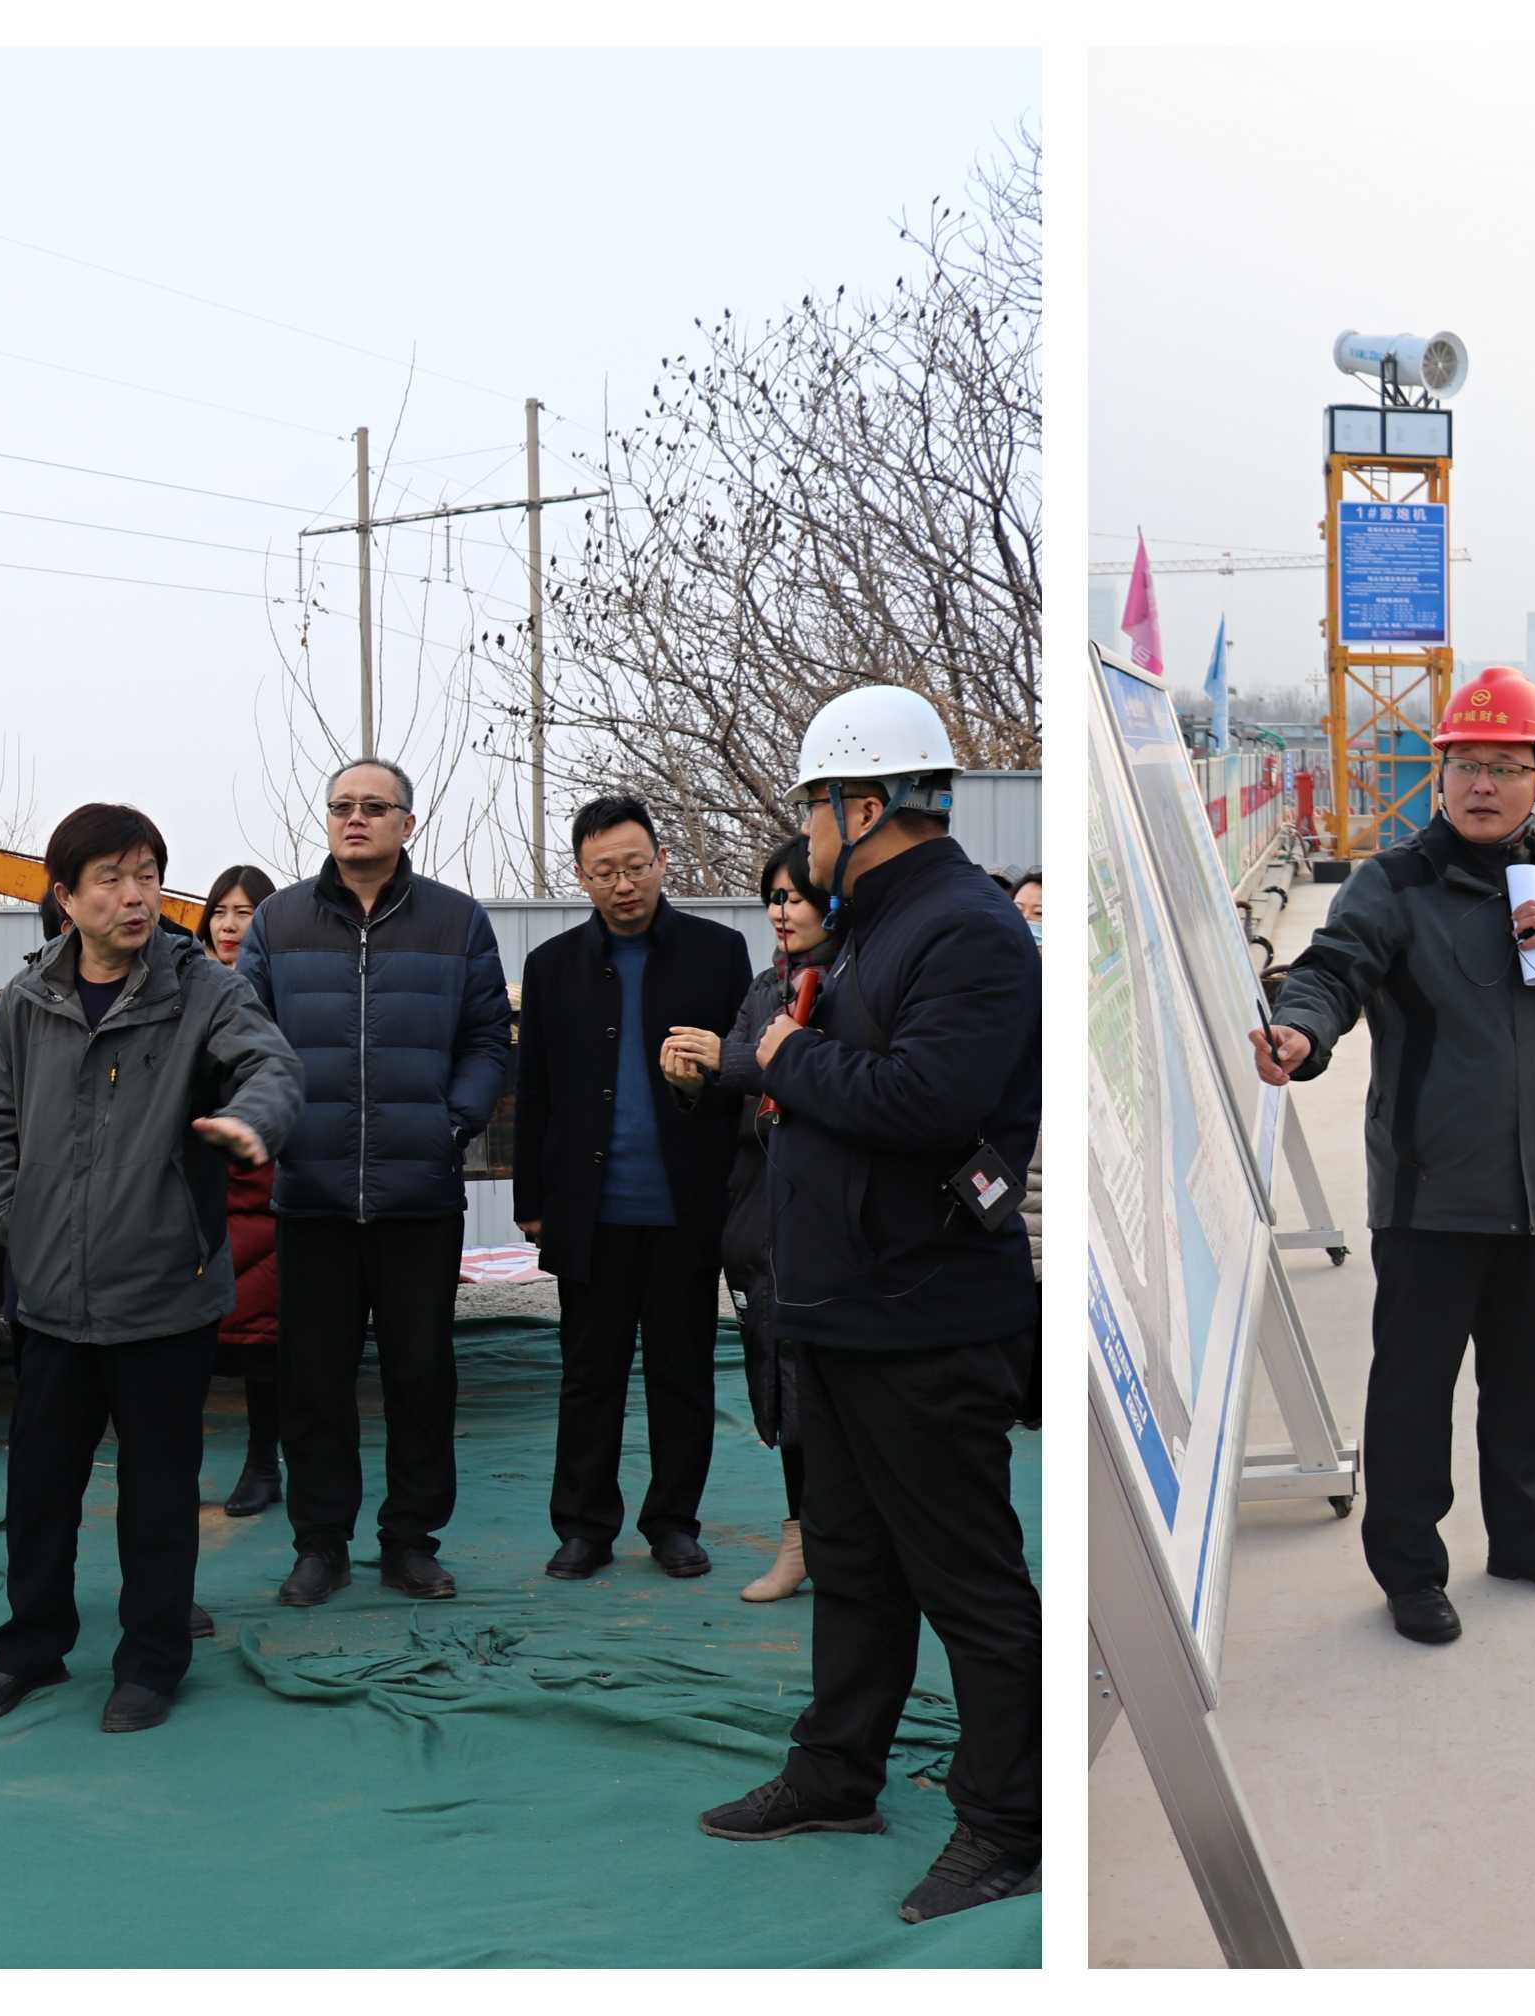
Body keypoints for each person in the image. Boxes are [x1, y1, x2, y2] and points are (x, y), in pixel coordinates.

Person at [692, 684, 1042, 1928]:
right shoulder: (870, 932)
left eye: (814, 810)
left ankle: (1008, 1824)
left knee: (969, 1582)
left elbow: (927, 1102)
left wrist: (788, 1058)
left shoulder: (967, 932)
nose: (806, 836)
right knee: (851, 1564)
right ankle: (837, 1772)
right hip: (840, 1310)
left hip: (923, 1319)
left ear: (862, 805)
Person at [1249, 665, 1535, 1649]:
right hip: (1430, 1192)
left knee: (1526, 1382)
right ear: (1441, 775)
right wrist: (1301, 1032)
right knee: (1413, 1393)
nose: (1483, 785)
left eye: (1506, 767)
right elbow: (1332, 971)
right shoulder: (1395, 883)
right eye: (1466, 765)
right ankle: (1410, 1570)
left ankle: (1525, 1538)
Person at [0, 805, 300, 1734]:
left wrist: (252, 1121)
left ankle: (149, 1664)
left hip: (162, 1293)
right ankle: (30, 1649)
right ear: (65, 898)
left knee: (157, 1497)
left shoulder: (201, 991)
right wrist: (14, 1222)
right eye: (110, 878)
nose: (135, 895)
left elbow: (272, 1067)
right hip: (50, 1296)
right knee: (39, 1494)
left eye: (147, 874)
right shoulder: (29, 1000)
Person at [236, 758, 514, 1606]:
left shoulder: (457, 921)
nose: (354, 819)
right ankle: (320, 1544)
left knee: (420, 1379)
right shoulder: (280, 921)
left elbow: (487, 1041)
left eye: (373, 806)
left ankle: (411, 1543)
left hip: (418, 1197)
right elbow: (246, 1040)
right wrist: (277, 1128)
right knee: (313, 1384)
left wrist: (451, 1123)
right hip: (312, 1196)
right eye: (341, 806)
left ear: (407, 823)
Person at [516, 795, 752, 1580]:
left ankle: (673, 1523)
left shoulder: (718, 954)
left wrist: (703, 1090)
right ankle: (584, 1528)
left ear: (662, 862)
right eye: (604, 872)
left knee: (683, 1373)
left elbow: (742, 1081)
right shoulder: (552, 966)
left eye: (636, 866)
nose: (623, 884)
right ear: (581, 877)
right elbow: (534, 1091)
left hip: (687, 1206)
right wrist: (531, 1203)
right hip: (590, 1211)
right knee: (590, 1376)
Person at [670, 836, 834, 1601]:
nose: (782, 911)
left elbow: (813, 1077)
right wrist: (692, 1079)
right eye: (774, 897)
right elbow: (734, 1083)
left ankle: (843, 1543)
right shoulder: (766, 987)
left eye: (796, 896)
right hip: (759, 1219)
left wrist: (728, 1062)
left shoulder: (852, 983)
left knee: (830, 1389)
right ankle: (801, 1540)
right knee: (777, 1385)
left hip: (827, 1219)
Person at [198, 865, 288, 1519]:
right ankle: (178, 1468)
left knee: (262, 1332)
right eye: (220, 912)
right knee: (184, 1338)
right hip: (197, 1173)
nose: (230, 925)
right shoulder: (182, 986)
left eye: (245, 912)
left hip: (262, 1172)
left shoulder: (281, 989)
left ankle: (263, 1466)